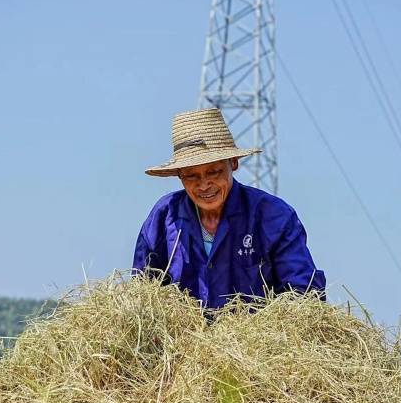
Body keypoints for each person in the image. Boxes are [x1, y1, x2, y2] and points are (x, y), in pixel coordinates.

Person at [133, 108, 325, 309]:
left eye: (214, 172)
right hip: (183, 339)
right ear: (179, 175)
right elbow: (143, 293)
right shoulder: (165, 216)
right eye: (191, 176)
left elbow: (303, 292)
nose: (204, 185)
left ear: (233, 163)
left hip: (255, 338)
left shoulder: (273, 216)